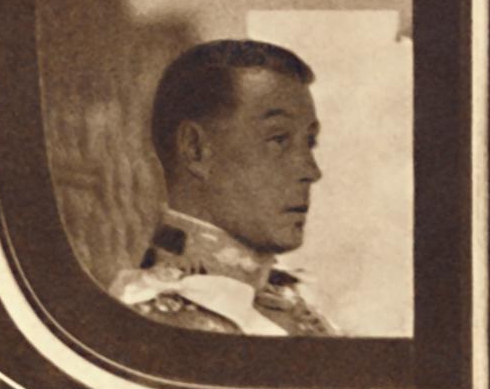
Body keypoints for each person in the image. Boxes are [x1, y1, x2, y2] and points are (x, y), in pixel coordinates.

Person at [111, 39, 338, 335]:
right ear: (195, 150)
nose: (312, 171)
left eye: (310, 142)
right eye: (278, 139)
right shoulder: (156, 323)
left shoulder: (296, 306)